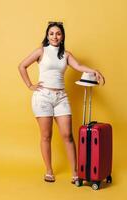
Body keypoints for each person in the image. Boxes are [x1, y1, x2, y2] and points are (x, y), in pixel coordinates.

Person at [18, 21, 105, 183]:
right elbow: (22, 66)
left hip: (61, 98)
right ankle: (49, 170)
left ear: (62, 36)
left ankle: (75, 172)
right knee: (46, 135)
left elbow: (78, 66)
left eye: (58, 33)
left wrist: (95, 71)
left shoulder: (66, 54)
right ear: (47, 35)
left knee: (68, 135)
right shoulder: (41, 51)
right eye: (51, 33)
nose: (54, 36)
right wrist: (30, 85)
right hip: (43, 97)